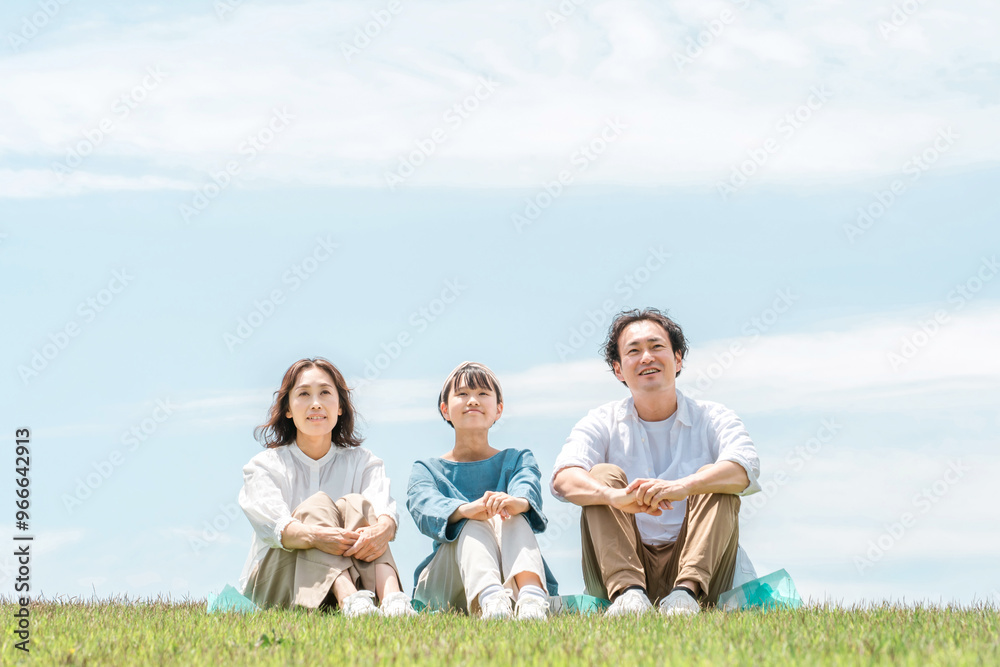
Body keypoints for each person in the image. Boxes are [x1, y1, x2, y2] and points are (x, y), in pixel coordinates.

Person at [550, 309, 761, 616]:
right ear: (618, 370)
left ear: (678, 359)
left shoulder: (714, 417)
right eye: (633, 351)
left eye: (656, 346)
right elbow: (563, 478)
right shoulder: (601, 420)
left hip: (702, 569)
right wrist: (614, 496)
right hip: (619, 567)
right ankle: (629, 595)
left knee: (715, 477)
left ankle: (685, 596)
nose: (646, 357)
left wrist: (683, 487)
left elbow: (744, 470)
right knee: (601, 476)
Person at [238, 357, 415, 617]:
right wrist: (319, 537)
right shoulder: (264, 466)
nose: (316, 403)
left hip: (360, 582)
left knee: (358, 504)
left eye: (324, 393)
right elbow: (280, 530)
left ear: (340, 406)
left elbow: (384, 514)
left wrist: (383, 529)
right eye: (304, 394)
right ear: (288, 409)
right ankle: (349, 600)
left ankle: (393, 601)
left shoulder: (364, 462)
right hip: (279, 584)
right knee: (316, 505)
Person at [406, 362, 557, 620]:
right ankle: (491, 600)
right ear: (445, 410)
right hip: (448, 583)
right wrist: (468, 510)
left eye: (483, 393)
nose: (473, 400)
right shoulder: (427, 469)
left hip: (509, 572)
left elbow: (527, 487)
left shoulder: (518, 459)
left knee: (512, 513)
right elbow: (424, 508)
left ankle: (531, 598)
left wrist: (514, 503)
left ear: (499, 409)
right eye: (462, 394)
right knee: (473, 519)